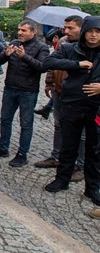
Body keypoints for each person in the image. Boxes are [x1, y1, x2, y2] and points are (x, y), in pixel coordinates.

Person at [42, 16, 100, 205]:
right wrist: (76, 65)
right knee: (68, 146)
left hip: (96, 108)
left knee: (94, 150)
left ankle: (92, 187)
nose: (93, 35)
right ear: (84, 32)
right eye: (91, 31)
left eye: (98, 32)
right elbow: (48, 62)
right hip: (72, 104)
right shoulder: (70, 48)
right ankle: (62, 179)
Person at [0, 20, 49, 167]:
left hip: (28, 91)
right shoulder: (14, 42)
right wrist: (6, 55)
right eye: (19, 29)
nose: (20, 32)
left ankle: (22, 154)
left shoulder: (41, 47)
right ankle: (3, 147)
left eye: (24, 30)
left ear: (33, 32)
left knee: (26, 123)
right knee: (5, 119)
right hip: (10, 87)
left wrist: (24, 56)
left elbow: (42, 67)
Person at [35, 16, 85, 181]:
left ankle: (79, 165)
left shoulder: (90, 47)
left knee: (81, 131)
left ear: (81, 28)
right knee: (59, 126)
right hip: (59, 90)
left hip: (80, 95)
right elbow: (51, 63)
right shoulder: (64, 42)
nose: (66, 31)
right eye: (65, 28)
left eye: (71, 28)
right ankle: (56, 157)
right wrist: (49, 82)